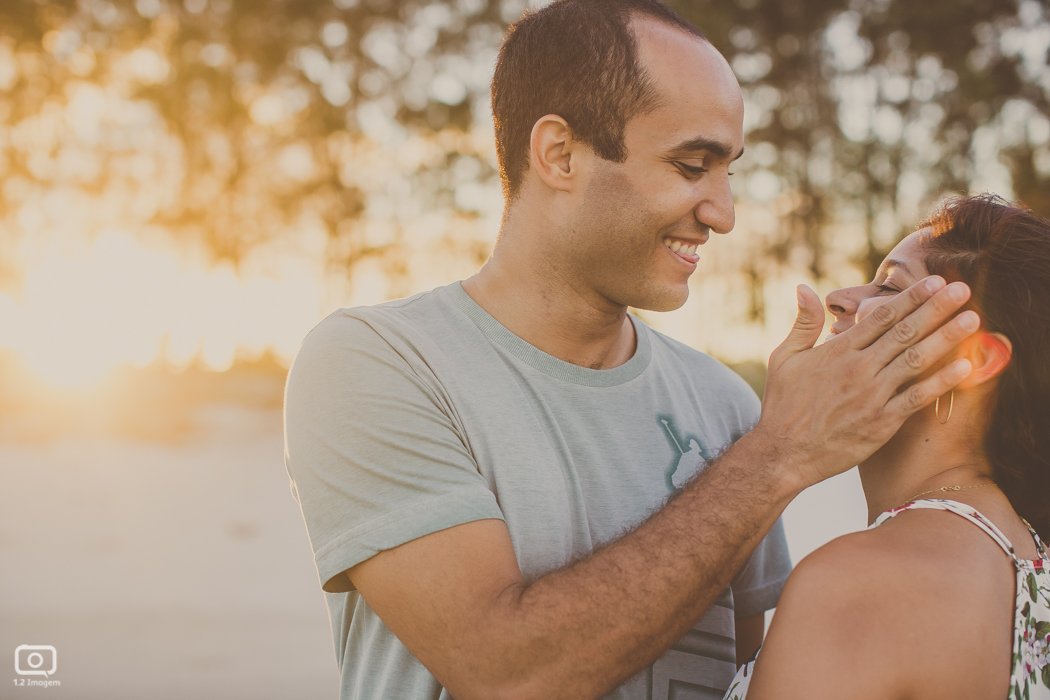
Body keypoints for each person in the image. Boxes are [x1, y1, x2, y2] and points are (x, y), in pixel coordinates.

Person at [282, 1, 978, 698]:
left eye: (728, 170)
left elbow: (738, 676)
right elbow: (505, 673)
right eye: (692, 165)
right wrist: (783, 453)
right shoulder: (375, 363)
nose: (724, 213)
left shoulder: (725, 406)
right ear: (559, 153)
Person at [723, 194, 1050, 700]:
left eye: (889, 285)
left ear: (975, 358)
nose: (838, 298)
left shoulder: (859, 584)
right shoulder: (1030, 562)